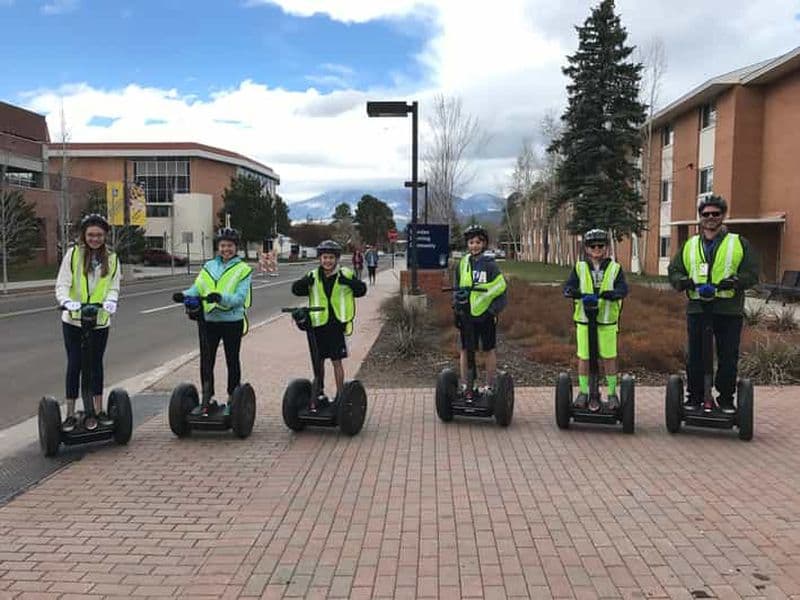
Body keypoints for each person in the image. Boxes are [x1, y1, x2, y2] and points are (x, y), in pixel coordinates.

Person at [667, 195, 759, 413]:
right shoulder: (690, 245)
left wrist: (735, 282)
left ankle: (725, 398)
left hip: (728, 310)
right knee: (696, 356)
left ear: (723, 216)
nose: (710, 218)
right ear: (700, 217)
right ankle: (695, 397)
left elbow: (752, 272)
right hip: (698, 308)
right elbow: (675, 270)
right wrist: (683, 281)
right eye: (705, 214)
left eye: (715, 214)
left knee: (728, 357)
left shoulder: (738, 243)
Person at [55, 213, 121, 431]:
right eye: (91, 234)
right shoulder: (73, 255)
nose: (95, 239)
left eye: (99, 235)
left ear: (105, 236)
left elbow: (113, 286)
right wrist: (66, 301)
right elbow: (63, 284)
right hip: (74, 320)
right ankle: (71, 413)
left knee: (95, 365)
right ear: (84, 235)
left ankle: (98, 410)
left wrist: (111, 301)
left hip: (100, 321)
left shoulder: (111, 257)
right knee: (74, 364)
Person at [177, 227, 253, 411]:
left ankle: (232, 397)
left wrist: (220, 298)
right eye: (223, 245)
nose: (226, 249)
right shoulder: (209, 266)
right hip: (208, 321)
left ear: (236, 248)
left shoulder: (243, 269)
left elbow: (240, 298)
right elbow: (198, 288)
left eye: (230, 246)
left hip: (231, 321)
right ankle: (207, 397)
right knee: (206, 359)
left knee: (231, 359)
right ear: (218, 247)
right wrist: (183, 295)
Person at [292, 240, 367, 404]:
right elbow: (296, 290)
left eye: (331, 258)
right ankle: (319, 393)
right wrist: (304, 283)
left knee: (336, 361)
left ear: (337, 259)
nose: (328, 261)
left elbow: (362, 290)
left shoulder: (345, 274)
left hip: (336, 325)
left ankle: (341, 396)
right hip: (318, 325)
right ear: (320, 258)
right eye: (325, 257)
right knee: (318, 361)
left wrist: (350, 283)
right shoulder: (313, 275)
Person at [562, 229, 629, 411]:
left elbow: (623, 289)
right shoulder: (579, 267)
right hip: (584, 320)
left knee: (609, 357)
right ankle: (584, 392)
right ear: (587, 248)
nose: (597, 249)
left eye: (601, 245)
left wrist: (613, 294)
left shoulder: (615, 268)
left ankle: (612, 393)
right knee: (584, 357)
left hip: (607, 322)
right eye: (593, 246)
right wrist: (573, 293)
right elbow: (569, 287)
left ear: (606, 247)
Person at [455, 225, 507, 396]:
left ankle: (490, 386)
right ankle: (467, 385)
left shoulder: (490, 265)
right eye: (471, 242)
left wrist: (492, 311)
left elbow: (500, 288)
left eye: (478, 242)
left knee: (488, 349)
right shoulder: (463, 264)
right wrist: (456, 309)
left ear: (484, 244)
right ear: (467, 244)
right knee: (465, 349)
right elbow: (457, 289)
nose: (474, 246)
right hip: (466, 314)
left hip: (485, 315)